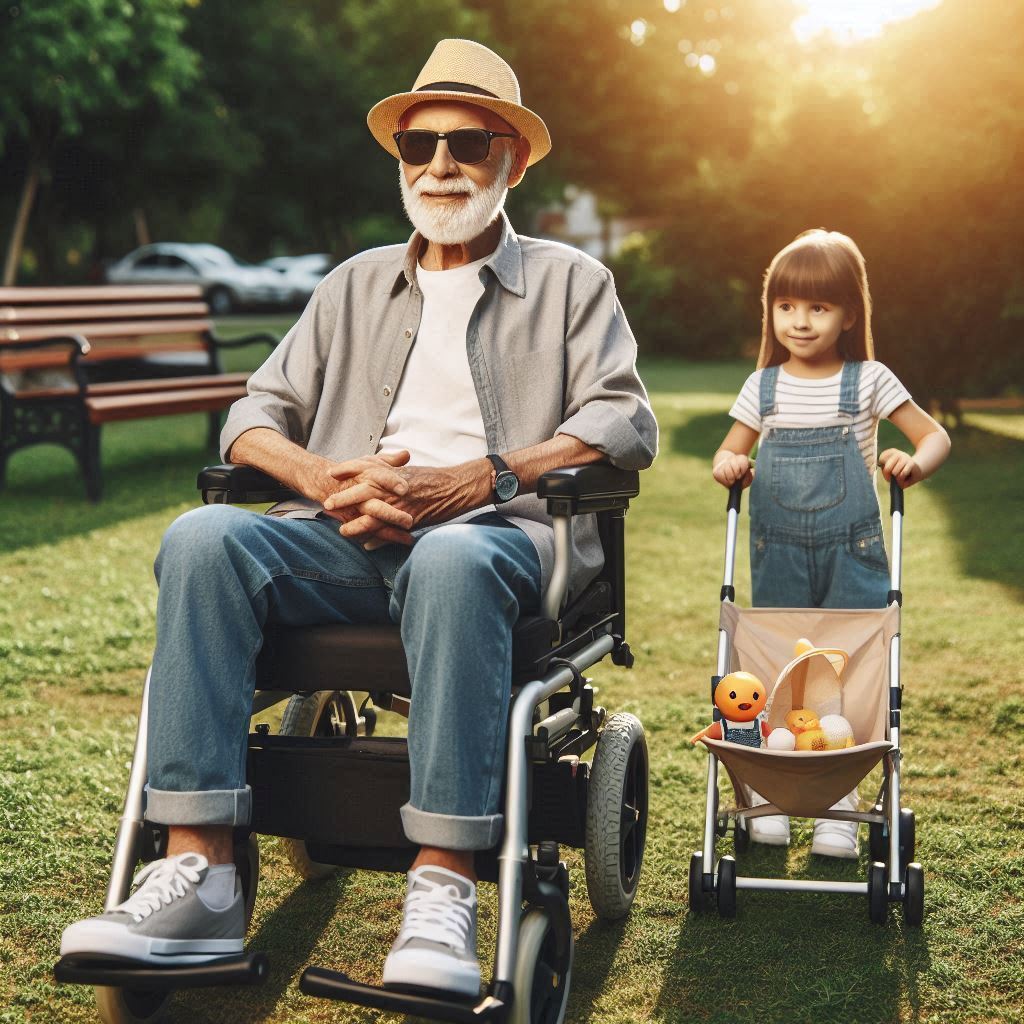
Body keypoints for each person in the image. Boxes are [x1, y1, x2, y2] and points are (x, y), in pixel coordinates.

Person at [60, 38, 657, 996]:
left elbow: (622, 421)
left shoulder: (571, 283)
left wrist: (482, 478)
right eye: (420, 148)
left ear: (513, 156)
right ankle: (199, 873)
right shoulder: (351, 285)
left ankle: (444, 888)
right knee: (201, 537)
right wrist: (326, 476)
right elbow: (253, 416)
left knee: (454, 562)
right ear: (401, 163)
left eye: (467, 142)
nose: (441, 166)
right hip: (339, 537)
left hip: (493, 542)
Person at [711, 229, 950, 856]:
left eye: (818, 307)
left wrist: (913, 463)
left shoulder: (868, 380)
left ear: (848, 314)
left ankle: (839, 804)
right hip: (778, 550)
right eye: (787, 306)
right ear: (771, 311)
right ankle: (771, 794)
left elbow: (934, 437)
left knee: (850, 664)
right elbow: (727, 452)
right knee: (779, 665)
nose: (800, 320)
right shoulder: (761, 387)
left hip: (854, 549)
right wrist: (729, 465)